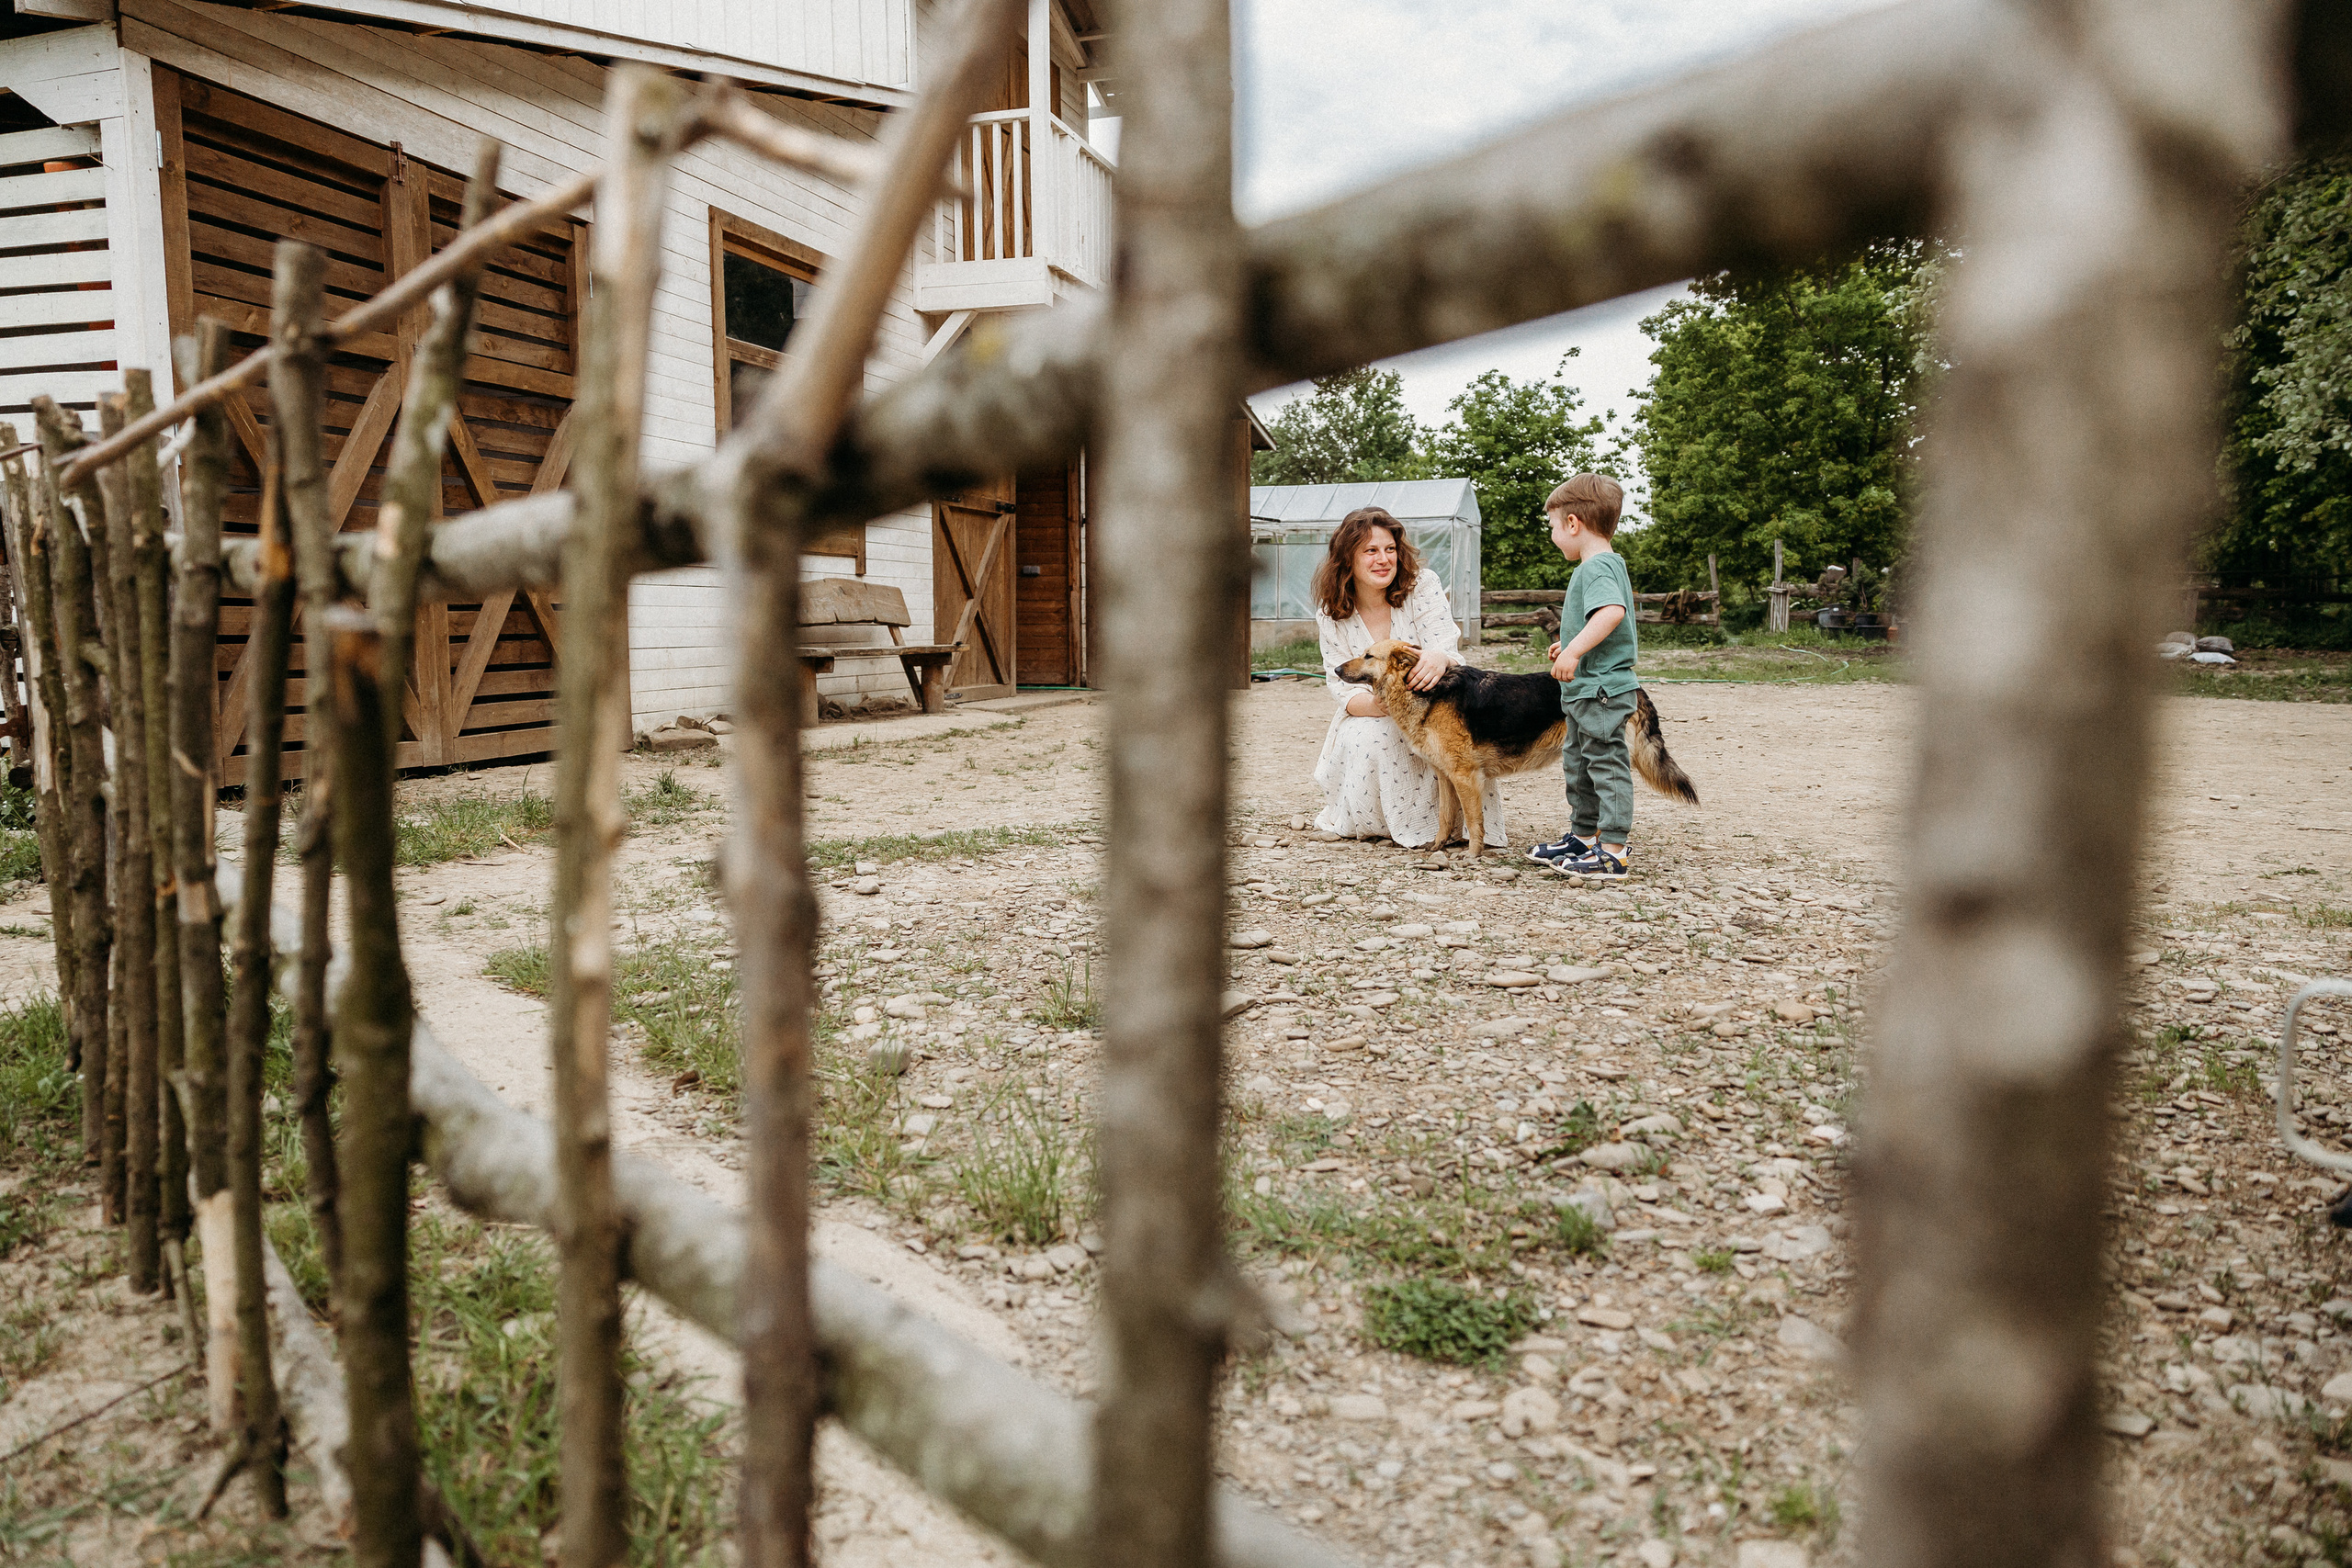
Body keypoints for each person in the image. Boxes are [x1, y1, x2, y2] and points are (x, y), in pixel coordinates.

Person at [1310, 505, 1505, 849]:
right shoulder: (1332, 615)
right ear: (1347, 559)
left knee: (1449, 731)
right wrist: (1381, 705)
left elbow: (1446, 646)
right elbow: (1340, 686)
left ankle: (1455, 826)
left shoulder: (1422, 586)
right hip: (1372, 710)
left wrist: (1437, 657)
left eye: (1390, 549)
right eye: (1370, 551)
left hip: (1434, 702)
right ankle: (1381, 823)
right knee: (1371, 736)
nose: (1383, 559)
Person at [1526, 475, 1638, 879]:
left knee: (1605, 764)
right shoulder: (1603, 565)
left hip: (1602, 691)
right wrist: (1571, 643)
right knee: (1578, 764)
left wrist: (1574, 651)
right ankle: (1583, 837)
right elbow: (1599, 623)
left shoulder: (1597, 567)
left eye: (1553, 526)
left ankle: (1613, 850)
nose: (1552, 535)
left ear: (1573, 524)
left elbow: (1611, 613)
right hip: (1584, 690)